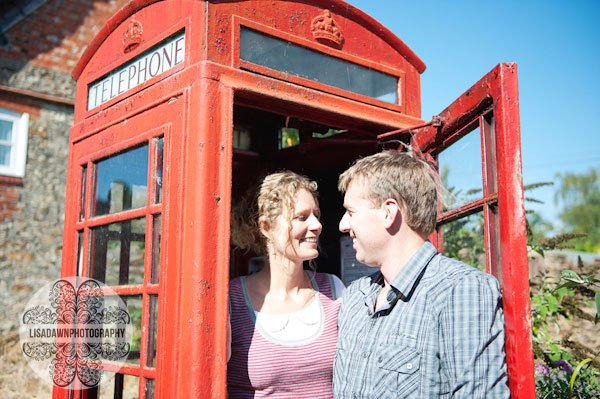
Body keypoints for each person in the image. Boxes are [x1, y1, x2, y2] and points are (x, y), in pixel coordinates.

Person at [333, 151, 510, 398]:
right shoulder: (355, 296)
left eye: (351, 212)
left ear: (388, 212)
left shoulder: (460, 291)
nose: (343, 225)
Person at [228, 170, 345, 399]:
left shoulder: (334, 290)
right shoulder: (232, 299)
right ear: (267, 228)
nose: (317, 225)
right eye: (301, 217)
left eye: (316, 215)